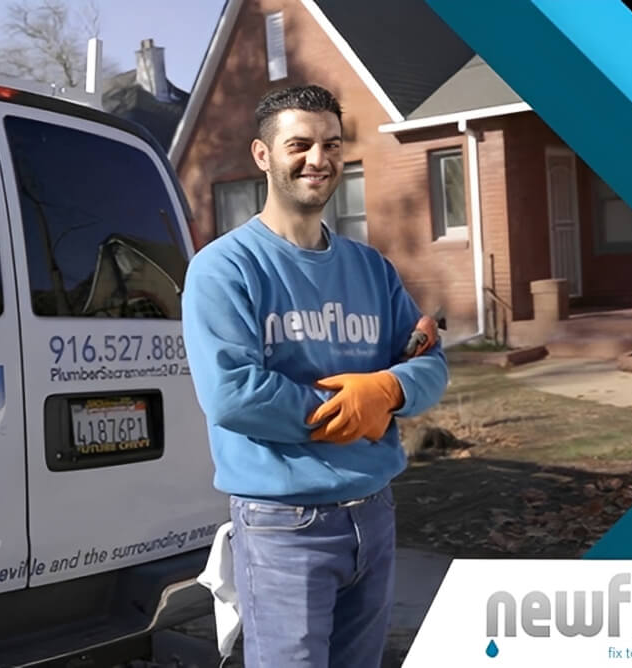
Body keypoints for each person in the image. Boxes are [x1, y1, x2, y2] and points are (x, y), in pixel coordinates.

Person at [181, 85, 449, 668]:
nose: (317, 159)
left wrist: (390, 390)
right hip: (285, 525)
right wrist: (339, 413)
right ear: (263, 155)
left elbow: (430, 362)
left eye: (331, 145)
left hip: (373, 511)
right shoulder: (225, 268)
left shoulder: (371, 268)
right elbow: (232, 393)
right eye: (299, 145)